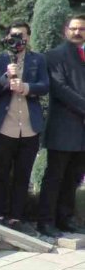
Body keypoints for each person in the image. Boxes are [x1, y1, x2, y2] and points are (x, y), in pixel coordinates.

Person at [0, 21, 48, 236]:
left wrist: (26, 87)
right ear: (7, 38)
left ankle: (16, 217)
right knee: (1, 173)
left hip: (30, 128)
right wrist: (5, 77)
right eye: (13, 35)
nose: (18, 39)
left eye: (21, 35)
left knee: (23, 174)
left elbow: (45, 86)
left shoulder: (38, 59)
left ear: (28, 37)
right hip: (4, 126)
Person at [37, 14, 85, 237]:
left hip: (82, 131)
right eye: (74, 28)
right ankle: (45, 221)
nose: (77, 32)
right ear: (66, 30)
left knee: (74, 177)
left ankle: (65, 218)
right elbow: (60, 89)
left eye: (81, 29)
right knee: (54, 177)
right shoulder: (54, 56)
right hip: (63, 127)